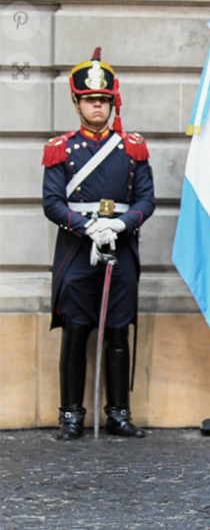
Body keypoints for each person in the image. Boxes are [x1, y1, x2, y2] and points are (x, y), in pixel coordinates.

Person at [42, 48, 154, 441]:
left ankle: (119, 412)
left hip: (119, 249)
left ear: (112, 102)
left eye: (103, 101)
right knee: (76, 330)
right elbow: (52, 202)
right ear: (76, 102)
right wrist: (87, 227)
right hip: (77, 250)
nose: (97, 107)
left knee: (118, 331)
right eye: (90, 100)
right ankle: (71, 413)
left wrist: (120, 225)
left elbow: (146, 200)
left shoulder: (132, 147)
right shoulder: (61, 149)